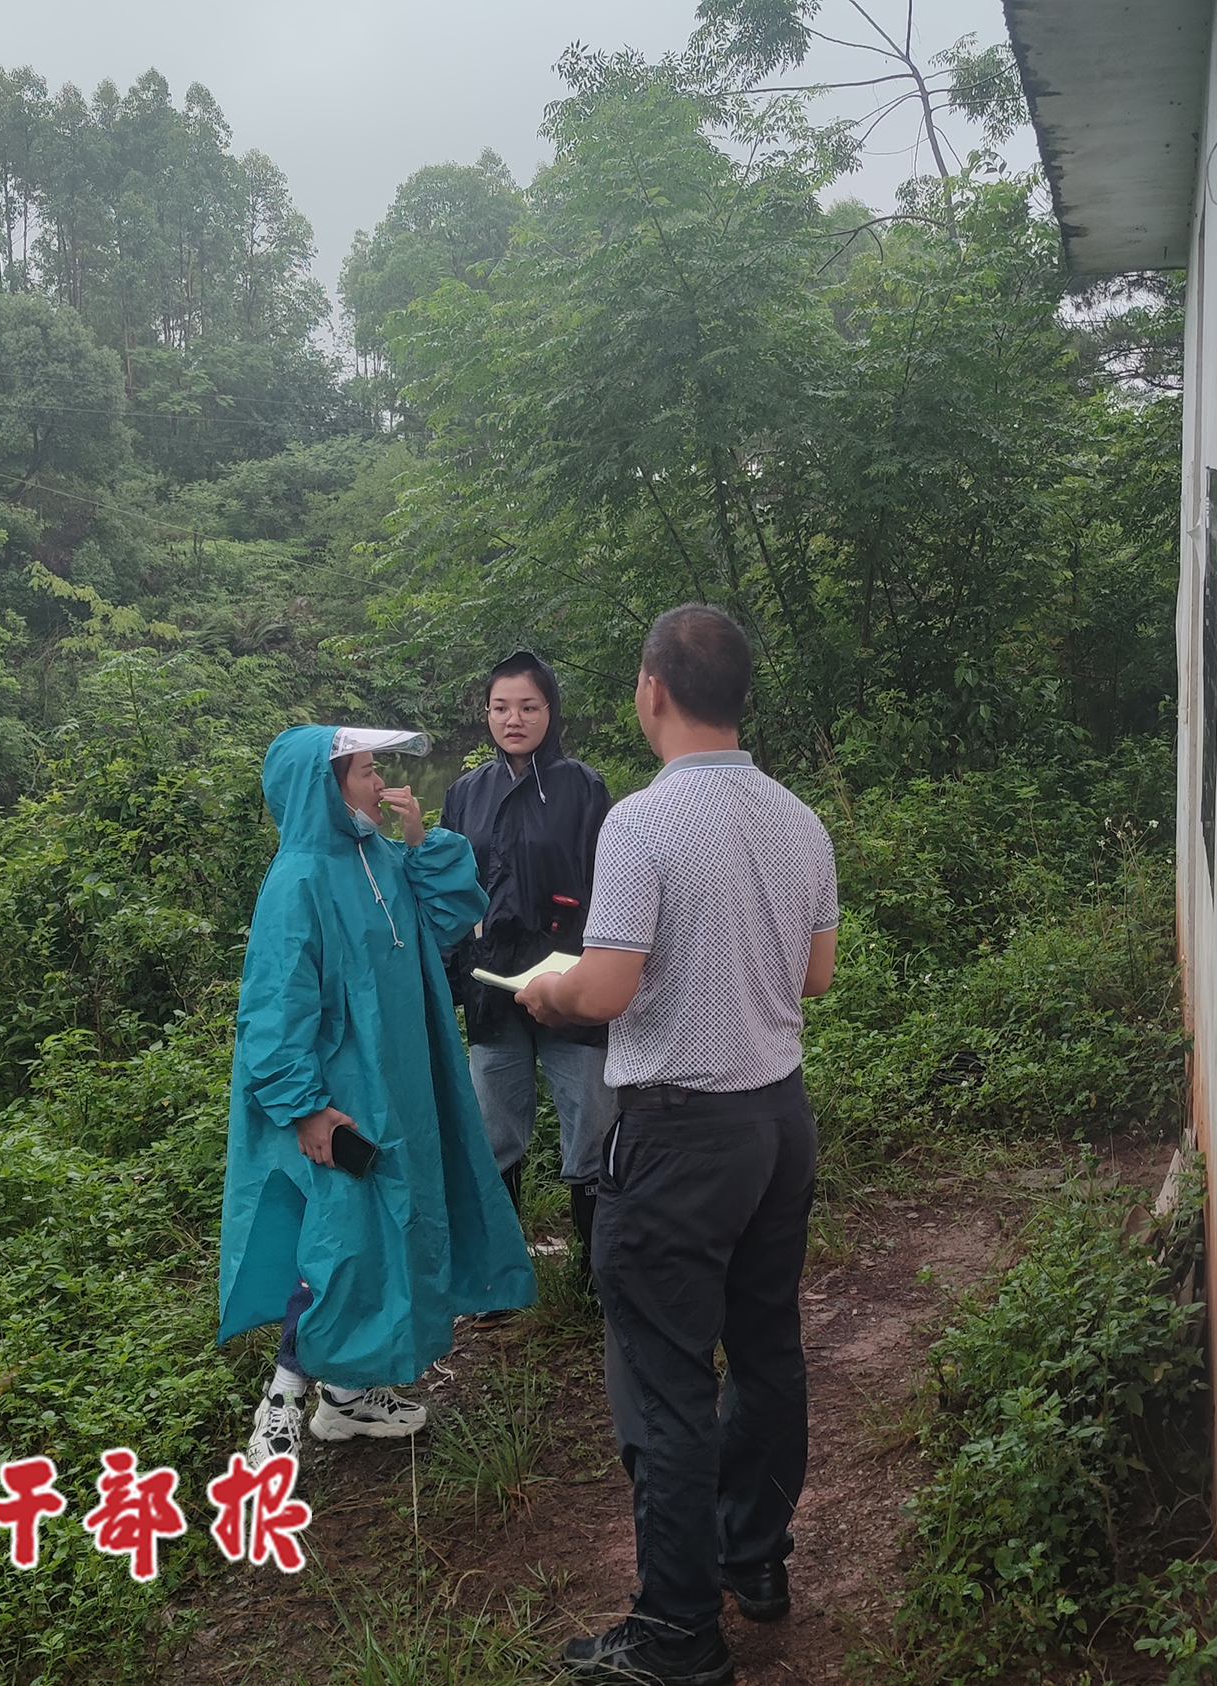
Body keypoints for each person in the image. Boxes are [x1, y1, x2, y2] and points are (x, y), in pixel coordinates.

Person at [520, 606, 838, 1686]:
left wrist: (545, 989)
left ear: (652, 690)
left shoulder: (641, 826)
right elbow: (815, 975)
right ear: (739, 696)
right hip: (776, 1122)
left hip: (678, 1136)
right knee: (764, 1348)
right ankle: (756, 1561)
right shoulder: (799, 820)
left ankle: (676, 1634)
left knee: (663, 1383)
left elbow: (605, 988)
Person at [217, 725, 534, 1469]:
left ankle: (348, 1398)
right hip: (342, 1102)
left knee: (390, 1235)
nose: (377, 782)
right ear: (321, 789)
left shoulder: (378, 858)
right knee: (337, 1247)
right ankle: (281, 1405)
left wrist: (421, 838)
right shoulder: (297, 882)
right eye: (362, 771)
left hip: (404, 1086)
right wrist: (305, 1107)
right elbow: (274, 1008)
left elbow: (451, 917)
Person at [441, 651, 617, 1267]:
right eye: (500, 707)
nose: (513, 719)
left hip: (570, 981)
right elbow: (448, 889)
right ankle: (498, 1276)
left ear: (551, 711)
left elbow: (609, 885)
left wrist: (599, 967)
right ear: (486, 714)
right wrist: (447, 974)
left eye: (528, 706)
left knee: (591, 1122)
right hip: (491, 985)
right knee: (494, 1129)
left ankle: (597, 1275)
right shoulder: (467, 793)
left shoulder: (582, 787)